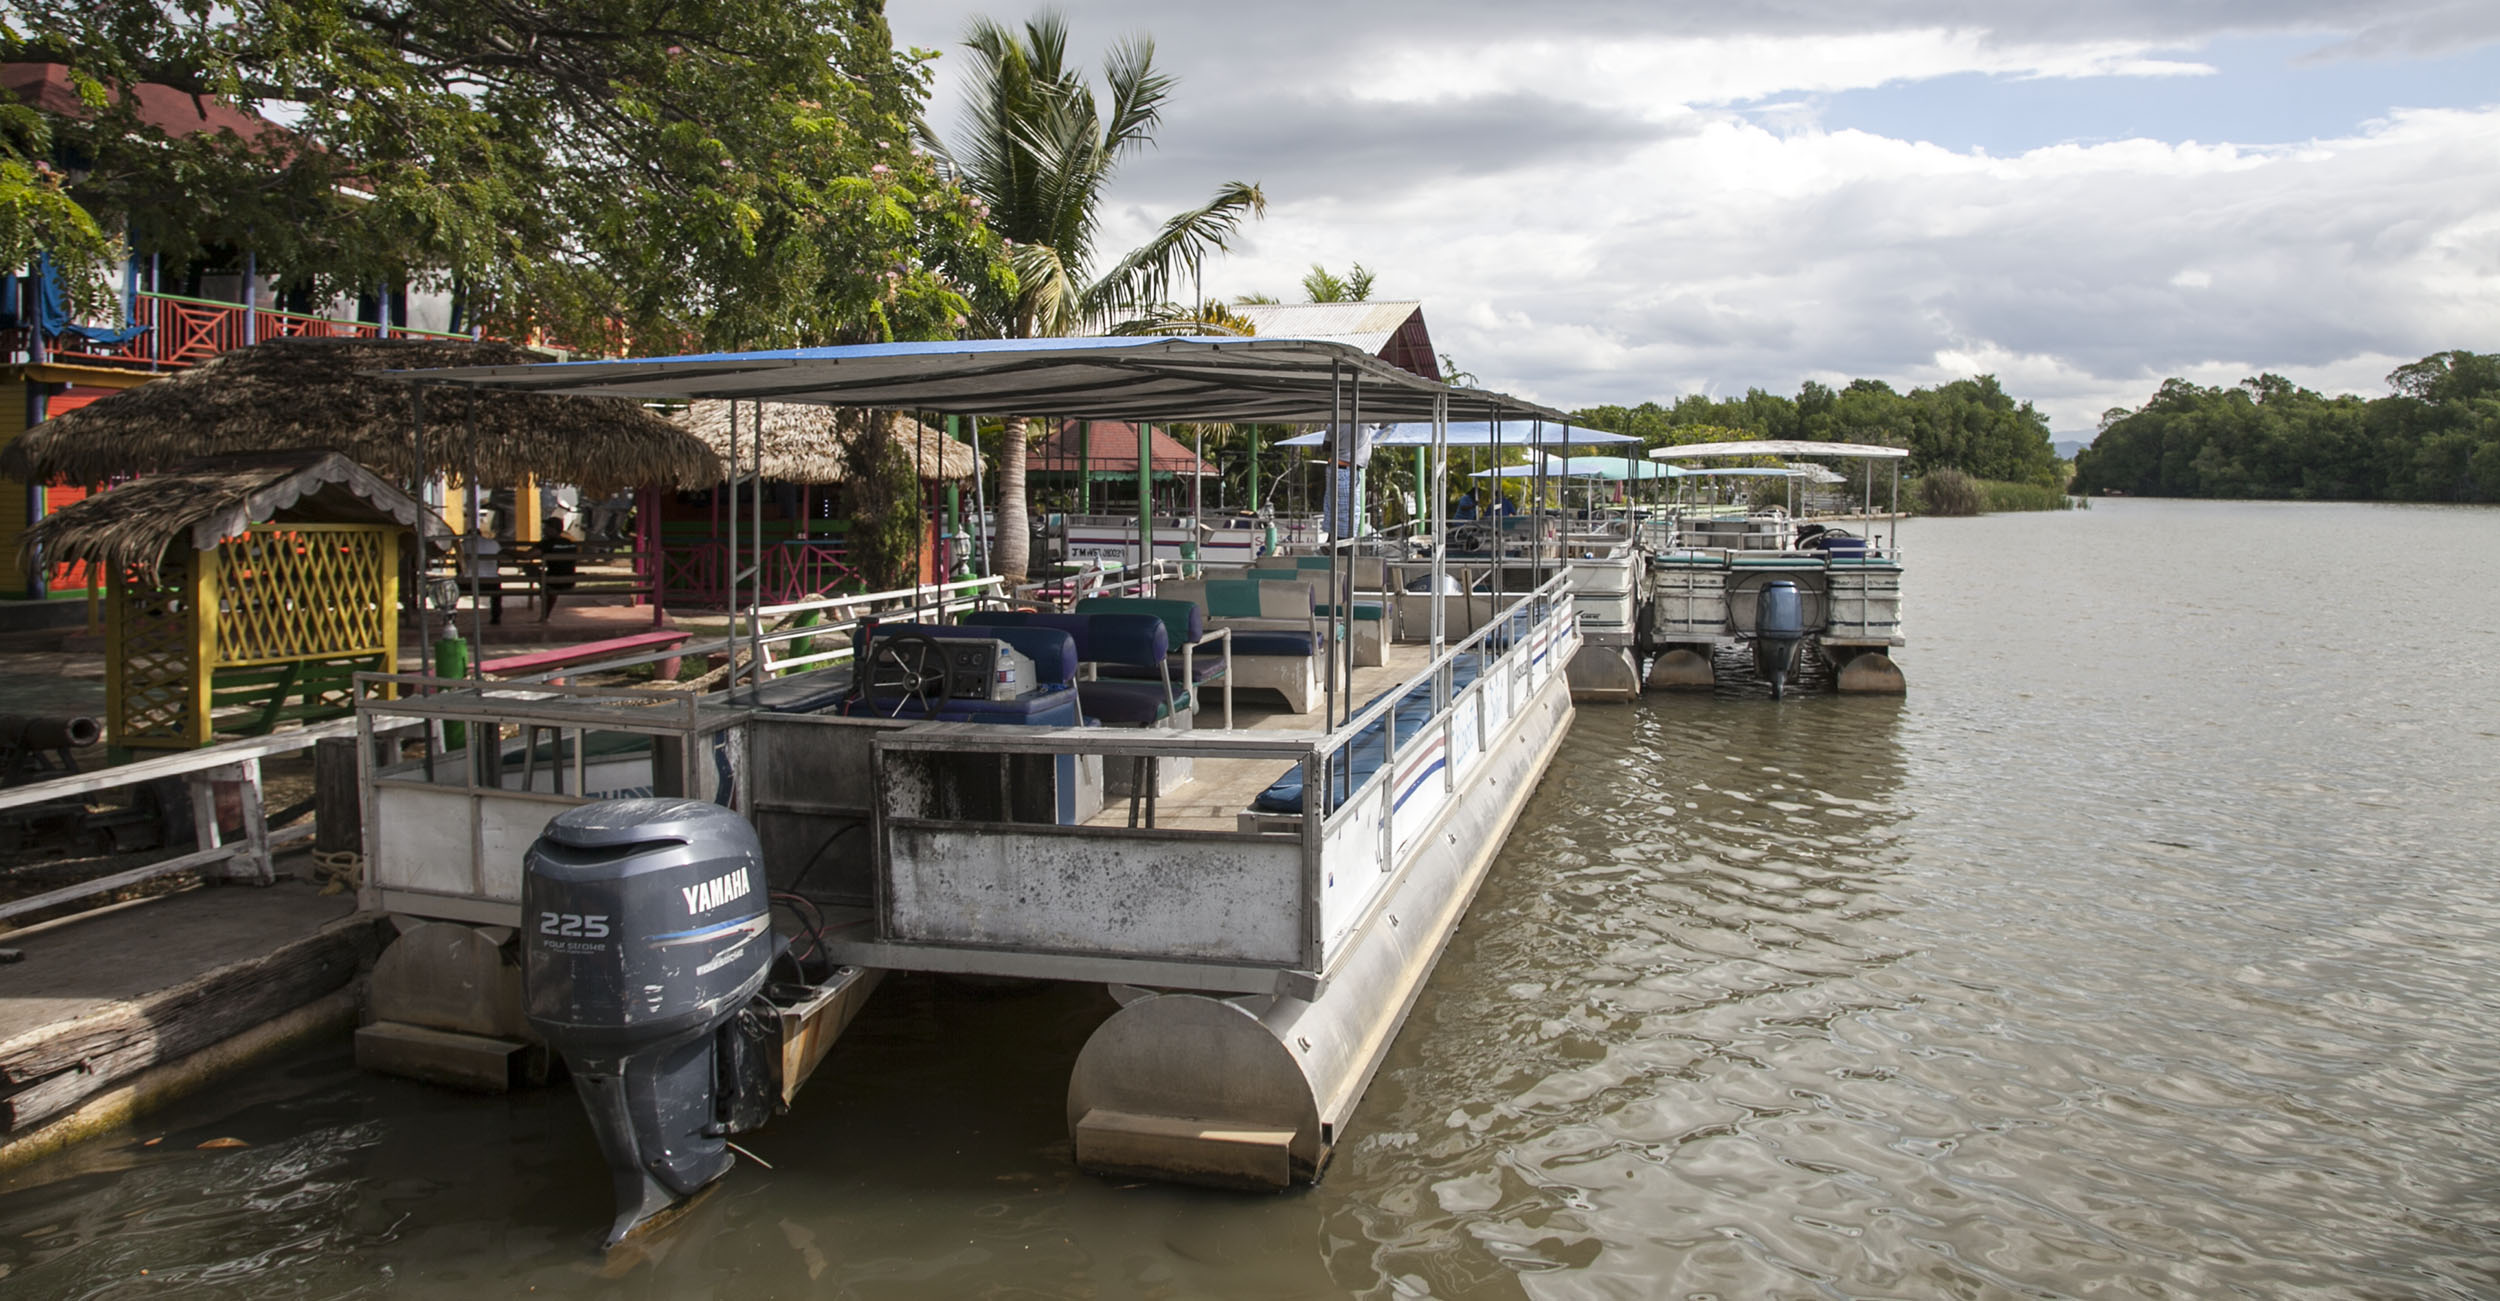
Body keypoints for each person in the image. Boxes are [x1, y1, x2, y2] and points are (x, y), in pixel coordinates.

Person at [537, 516, 579, 621]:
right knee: (546, 579)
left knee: (531, 569)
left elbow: (527, 556)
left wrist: (507, 552)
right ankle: (545, 614)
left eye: (546, 527)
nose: (544, 529)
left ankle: (544, 591)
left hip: (553, 581)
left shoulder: (547, 543)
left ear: (552, 529)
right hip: (569, 580)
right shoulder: (569, 543)